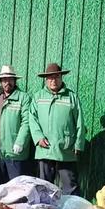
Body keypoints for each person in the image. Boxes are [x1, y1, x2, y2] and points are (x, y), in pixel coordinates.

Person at [29, 63, 85, 195]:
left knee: (70, 186)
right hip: (45, 149)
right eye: (50, 78)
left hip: (66, 149)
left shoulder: (72, 97)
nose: (53, 80)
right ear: (45, 80)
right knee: (44, 185)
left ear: (61, 77)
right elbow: (32, 119)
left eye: (56, 77)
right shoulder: (38, 97)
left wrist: (78, 144)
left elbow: (80, 122)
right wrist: (38, 138)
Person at [0, 65, 32, 183]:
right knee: (0, 184)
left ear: (15, 81)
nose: (7, 82)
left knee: (16, 185)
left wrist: (20, 142)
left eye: (10, 79)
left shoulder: (23, 98)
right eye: (4, 80)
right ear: (0, 82)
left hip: (14, 150)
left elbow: (27, 122)